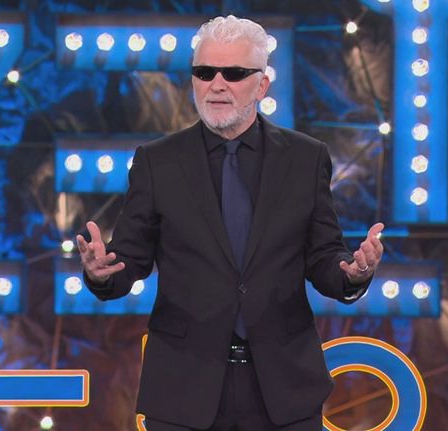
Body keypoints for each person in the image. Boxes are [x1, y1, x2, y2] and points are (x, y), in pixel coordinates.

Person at [77, 15, 384, 431]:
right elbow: (130, 260)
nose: (216, 84)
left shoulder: (305, 158)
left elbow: (323, 257)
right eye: (204, 73)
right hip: (184, 389)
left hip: (283, 388)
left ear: (262, 85)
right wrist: (101, 274)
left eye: (234, 73)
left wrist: (352, 273)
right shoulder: (157, 162)